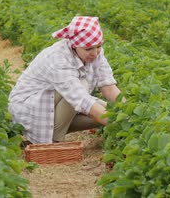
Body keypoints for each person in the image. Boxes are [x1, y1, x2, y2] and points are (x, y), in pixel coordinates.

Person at [8, 16, 124, 144]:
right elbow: (80, 99)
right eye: (88, 49)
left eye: (99, 46)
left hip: (55, 105)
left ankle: (56, 133)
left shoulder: (95, 52)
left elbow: (109, 87)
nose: (95, 53)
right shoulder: (58, 59)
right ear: (75, 46)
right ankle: (54, 142)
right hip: (32, 109)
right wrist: (124, 127)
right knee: (92, 103)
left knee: (112, 112)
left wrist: (129, 115)